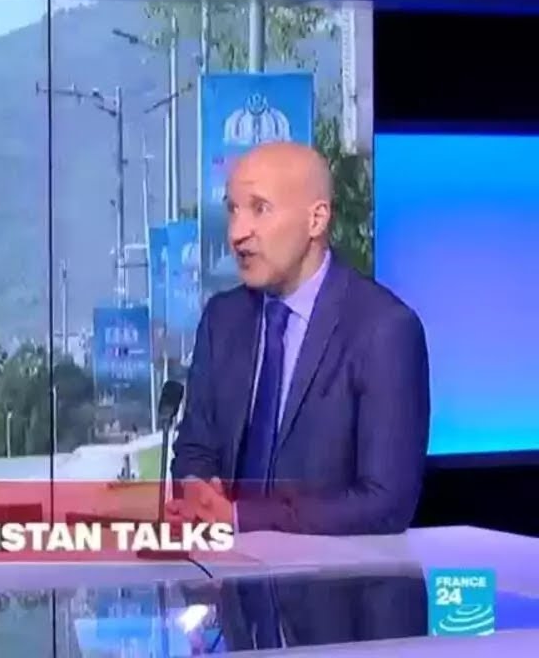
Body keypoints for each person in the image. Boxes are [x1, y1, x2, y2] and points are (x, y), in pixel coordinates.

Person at [169, 141, 430, 536]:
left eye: (260, 209)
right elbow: (194, 449)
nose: (237, 233)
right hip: (224, 570)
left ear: (316, 220)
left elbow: (386, 503)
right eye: (233, 209)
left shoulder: (383, 330)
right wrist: (198, 492)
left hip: (336, 575)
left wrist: (240, 518)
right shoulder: (222, 320)